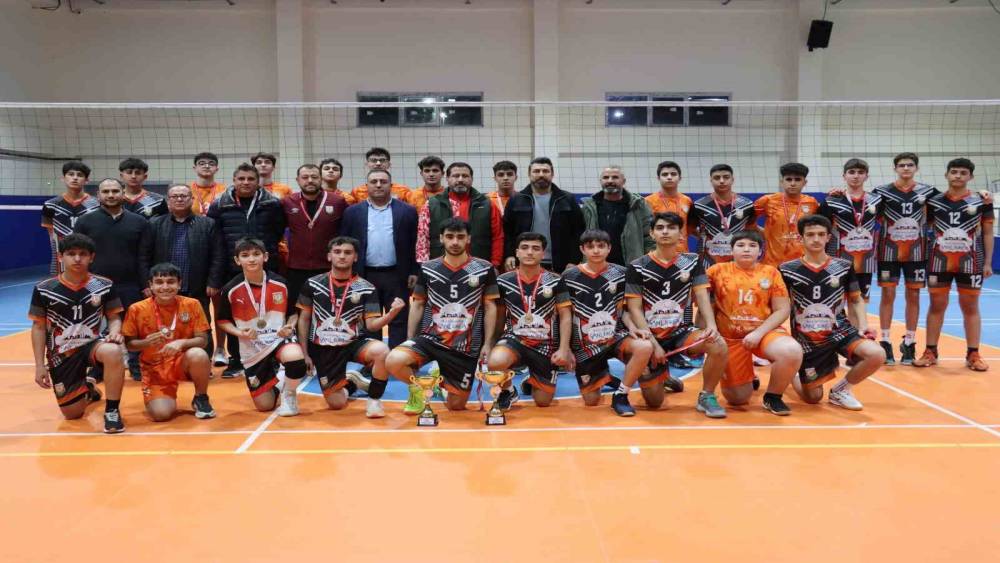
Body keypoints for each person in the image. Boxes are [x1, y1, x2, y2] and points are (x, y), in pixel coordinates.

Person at [385, 218, 499, 414]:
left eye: (460, 237)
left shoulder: (484, 268)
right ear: (441, 238)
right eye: (450, 236)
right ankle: (419, 390)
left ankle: (439, 381)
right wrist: (410, 338)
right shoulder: (428, 268)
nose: (455, 242)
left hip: (465, 348)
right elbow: (418, 304)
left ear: (468, 239)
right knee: (394, 360)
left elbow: (490, 307)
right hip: (431, 339)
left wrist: (488, 344)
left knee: (456, 406)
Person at [624, 212, 729, 418]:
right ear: (652, 233)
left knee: (718, 344)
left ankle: (707, 396)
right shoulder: (637, 266)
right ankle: (662, 377)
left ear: (681, 234)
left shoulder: (692, 262)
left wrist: (711, 325)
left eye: (671, 228)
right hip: (649, 335)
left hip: (681, 332)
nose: (665, 232)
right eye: (660, 228)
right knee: (655, 402)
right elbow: (634, 309)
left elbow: (702, 295)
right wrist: (653, 344)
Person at [780, 215, 885, 410]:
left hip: (840, 330)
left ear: (829, 237)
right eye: (810, 235)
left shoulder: (843, 266)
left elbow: (856, 299)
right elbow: (779, 306)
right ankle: (793, 372)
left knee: (877, 354)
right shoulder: (787, 269)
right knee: (813, 398)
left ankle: (841, 391)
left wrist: (863, 326)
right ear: (801, 238)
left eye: (821, 234)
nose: (816, 239)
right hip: (808, 339)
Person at [28, 234, 127, 433]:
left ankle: (112, 411)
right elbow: (38, 328)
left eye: (83, 254)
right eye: (71, 254)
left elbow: (114, 317)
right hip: (61, 353)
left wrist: (115, 332)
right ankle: (88, 390)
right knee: (72, 413)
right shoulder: (45, 289)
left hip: (92, 345)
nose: (77, 259)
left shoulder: (104, 285)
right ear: (60, 257)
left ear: (92, 257)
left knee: (113, 351)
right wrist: (39, 365)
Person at [296, 237, 406, 418]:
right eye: (337, 252)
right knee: (337, 403)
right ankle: (352, 383)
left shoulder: (366, 288)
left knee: (381, 351)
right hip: (324, 348)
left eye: (347, 252)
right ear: (329, 256)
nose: (342, 256)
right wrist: (305, 353)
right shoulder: (313, 284)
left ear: (355, 257)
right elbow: (304, 319)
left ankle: (374, 400)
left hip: (353, 343)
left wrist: (391, 313)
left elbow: (372, 326)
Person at [706, 230, 802, 416]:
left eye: (752, 246)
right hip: (730, 339)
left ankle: (773, 396)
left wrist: (758, 333)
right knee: (737, 398)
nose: (746, 249)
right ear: (731, 250)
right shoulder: (716, 271)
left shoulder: (771, 272)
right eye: (740, 245)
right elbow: (700, 296)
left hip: (764, 334)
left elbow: (782, 309)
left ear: (760, 251)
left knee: (791, 351)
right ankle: (748, 376)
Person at [562, 229, 653, 417]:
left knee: (644, 347)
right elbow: (565, 316)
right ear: (582, 249)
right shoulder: (569, 276)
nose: (596, 250)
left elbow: (623, 310)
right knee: (591, 401)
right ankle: (605, 376)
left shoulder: (621, 273)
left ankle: (621, 395)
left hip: (614, 336)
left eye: (601, 246)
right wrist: (567, 348)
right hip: (585, 345)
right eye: (590, 247)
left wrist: (633, 328)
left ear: (609, 248)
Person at [208, 163, 287, 378]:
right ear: (234, 181)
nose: (245, 182)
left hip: (266, 268)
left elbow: (278, 231)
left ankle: (272, 355)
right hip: (232, 269)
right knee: (237, 316)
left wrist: (268, 256)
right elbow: (215, 240)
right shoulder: (219, 205)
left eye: (250, 179)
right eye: (241, 179)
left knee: (270, 313)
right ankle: (237, 359)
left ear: (258, 181)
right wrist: (216, 275)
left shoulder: (272, 203)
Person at [914, 158, 994, 371]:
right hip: (938, 261)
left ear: (971, 177)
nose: (958, 176)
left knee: (970, 307)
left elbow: (987, 233)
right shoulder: (933, 201)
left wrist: (987, 262)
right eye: (954, 172)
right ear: (947, 175)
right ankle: (930, 351)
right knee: (936, 305)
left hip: (971, 261)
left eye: (963, 173)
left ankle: (973, 354)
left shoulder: (982, 201)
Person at [216, 238, 307, 415]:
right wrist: (239, 332)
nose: (251, 259)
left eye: (256, 254)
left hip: (278, 339)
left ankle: (289, 394)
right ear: (237, 260)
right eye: (245, 255)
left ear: (265, 257)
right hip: (253, 348)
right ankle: (279, 380)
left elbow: (293, 314)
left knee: (295, 358)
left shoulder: (281, 283)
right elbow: (222, 320)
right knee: (265, 406)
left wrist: (289, 326)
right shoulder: (230, 289)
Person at [487, 232, 574, 409]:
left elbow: (565, 316)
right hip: (515, 339)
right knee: (496, 361)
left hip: (545, 344)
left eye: (535, 248)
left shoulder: (556, 281)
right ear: (517, 252)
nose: (529, 252)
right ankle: (508, 391)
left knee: (543, 402)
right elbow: (500, 316)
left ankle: (531, 379)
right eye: (525, 248)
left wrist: (564, 348)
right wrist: (491, 344)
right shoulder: (503, 281)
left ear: (543, 253)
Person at [74, 178, 150, 380]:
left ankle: (136, 366)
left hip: (131, 284)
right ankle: (97, 368)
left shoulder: (139, 222)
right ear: (98, 195)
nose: (110, 195)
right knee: (93, 328)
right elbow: (78, 255)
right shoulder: (85, 222)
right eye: (106, 191)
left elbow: (144, 256)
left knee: (134, 328)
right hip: (94, 286)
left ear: (123, 193)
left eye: (115, 191)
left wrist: (145, 284)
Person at [139, 183, 226, 356]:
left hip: (197, 287)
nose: (179, 199)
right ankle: (164, 361)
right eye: (175, 196)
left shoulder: (208, 224)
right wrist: (146, 284)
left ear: (191, 199)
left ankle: (203, 361)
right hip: (163, 288)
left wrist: (214, 281)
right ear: (168, 201)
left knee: (201, 327)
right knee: (163, 327)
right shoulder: (155, 224)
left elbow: (218, 255)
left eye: (184, 196)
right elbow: (143, 256)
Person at [122, 262, 215, 421]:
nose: (165, 287)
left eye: (171, 282)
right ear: (151, 285)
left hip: (181, 362)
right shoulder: (136, 309)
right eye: (159, 282)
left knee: (198, 354)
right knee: (161, 415)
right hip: (154, 369)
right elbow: (129, 344)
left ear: (179, 284)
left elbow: (203, 340)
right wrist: (146, 343)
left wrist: (181, 343)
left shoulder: (192, 304)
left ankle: (201, 397)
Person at [340, 169, 418, 349]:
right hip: (365, 275)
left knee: (399, 318)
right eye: (374, 181)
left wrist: (415, 270)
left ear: (391, 185)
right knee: (368, 319)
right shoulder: (352, 212)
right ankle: (373, 358)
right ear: (366, 186)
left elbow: (416, 243)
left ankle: (396, 357)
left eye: (383, 181)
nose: (378, 185)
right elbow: (344, 243)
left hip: (397, 274)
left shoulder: (407, 211)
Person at [818, 159, 882, 327]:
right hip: (838, 260)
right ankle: (833, 336)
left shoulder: (876, 200)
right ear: (844, 176)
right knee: (835, 302)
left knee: (858, 301)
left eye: (860, 172)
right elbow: (821, 231)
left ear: (866, 176)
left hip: (865, 262)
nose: (856, 176)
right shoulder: (831, 201)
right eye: (851, 172)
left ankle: (856, 335)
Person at [503, 157, 586, 273]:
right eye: (536, 171)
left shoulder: (567, 199)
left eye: (545, 171)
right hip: (524, 262)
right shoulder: (516, 200)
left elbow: (578, 232)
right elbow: (507, 232)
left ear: (552, 174)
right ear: (529, 174)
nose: (541, 174)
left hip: (561, 265)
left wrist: (574, 260)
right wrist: (509, 255)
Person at [282, 164, 347, 308]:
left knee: (327, 310)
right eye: (305, 177)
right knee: (297, 310)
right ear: (298, 180)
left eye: (314, 177)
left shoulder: (337, 202)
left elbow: (345, 234)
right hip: (296, 268)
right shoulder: (287, 202)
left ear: (321, 179)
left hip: (328, 267)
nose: (310, 180)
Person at [417, 162, 504, 267]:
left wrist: (495, 263)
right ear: (447, 178)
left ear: (472, 179)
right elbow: (422, 238)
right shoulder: (431, 204)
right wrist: (424, 266)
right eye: (455, 176)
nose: (460, 179)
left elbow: (498, 236)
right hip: (440, 267)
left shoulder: (487, 204)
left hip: (479, 266)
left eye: (465, 176)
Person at [687, 164, 758, 271]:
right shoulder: (699, 205)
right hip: (707, 260)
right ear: (711, 180)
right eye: (717, 178)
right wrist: (704, 238)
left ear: (732, 179)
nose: (721, 181)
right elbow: (689, 229)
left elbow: (751, 229)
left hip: (737, 260)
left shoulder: (746, 204)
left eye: (726, 177)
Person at [580, 165, 654, 266]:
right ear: (600, 181)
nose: (610, 181)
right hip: (596, 266)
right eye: (606, 177)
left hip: (630, 266)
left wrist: (649, 262)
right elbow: (579, 236)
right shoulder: (589, 206)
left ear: (624, 181)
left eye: (615, 177)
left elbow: (649, 237)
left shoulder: (638, 204)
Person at [753, 162, 819, 267]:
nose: (792, 183)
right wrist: (764, 233)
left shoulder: (812, 203)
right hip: (772, 264)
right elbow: (748, 222)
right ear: (782, 182)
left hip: (802, 264)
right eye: (788, 179)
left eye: (797, 179)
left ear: (804, 182)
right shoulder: (767, 201)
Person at [41, 161, 99, 275]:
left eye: (80, 175)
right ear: (63, 178)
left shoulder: (97, 204)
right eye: (71, 174)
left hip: (90, 256)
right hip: (63, 258)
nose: (75, 178)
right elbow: (52, 237)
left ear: (87, 180)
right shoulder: (50, 205)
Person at [645, 161, 693, 253]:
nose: (669, 177)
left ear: (680, 178)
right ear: (658, 178)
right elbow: (646, 230)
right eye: (665, 174)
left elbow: (690, 228)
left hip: (682, 252)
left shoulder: (687, 201)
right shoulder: (648, 201)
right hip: (658, 252)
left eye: (673, 174)